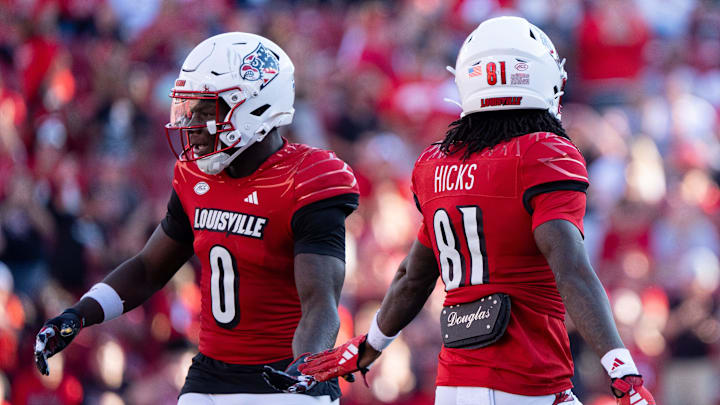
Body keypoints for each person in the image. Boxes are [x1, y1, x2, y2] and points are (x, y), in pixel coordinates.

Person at [266, 16, 656, 405]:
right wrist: (621, 368)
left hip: (454, 384)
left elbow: (412, 276)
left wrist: (370, 346)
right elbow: (569, 266)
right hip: (527, 381)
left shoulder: (434, 163)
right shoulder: (544, 153)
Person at [33, 32, 359, 405]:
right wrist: (79, 314)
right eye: (191, 110)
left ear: (255, 107)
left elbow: (321, 300)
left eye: (207, 111)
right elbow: (148, 269)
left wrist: (306, 368)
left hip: (285, 374)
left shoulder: (307, 177)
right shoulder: (194, 176)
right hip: (211, 375)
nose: (192, 124)